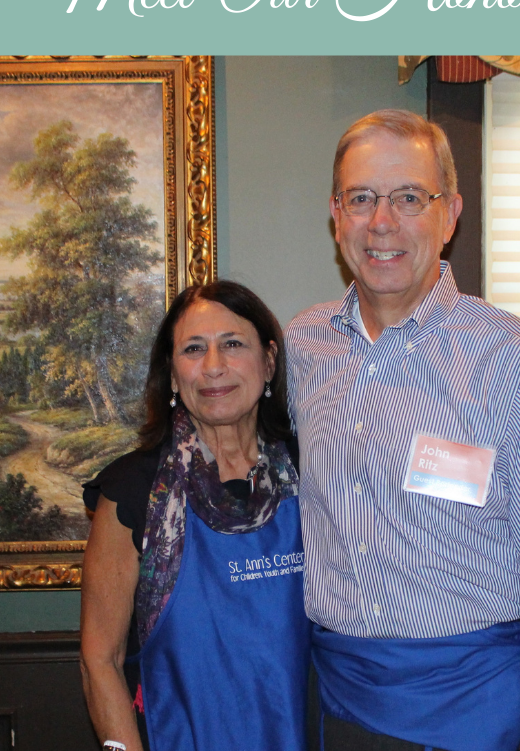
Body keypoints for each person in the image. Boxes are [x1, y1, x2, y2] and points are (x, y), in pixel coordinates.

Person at [285, 109, 520, 751]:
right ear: (335, 212)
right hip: (333, 704)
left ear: (450, 213)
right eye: (362, 198)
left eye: (410, 197)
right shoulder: (299, 350)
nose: (382, 222)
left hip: (474, 711)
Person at [81, 281, 310, 751]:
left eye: (232, 344)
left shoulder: (316, 476)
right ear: (171, 374)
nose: (213, 367)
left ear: (268, 362)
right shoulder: (132, 490)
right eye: (193, 349)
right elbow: (99, 659)